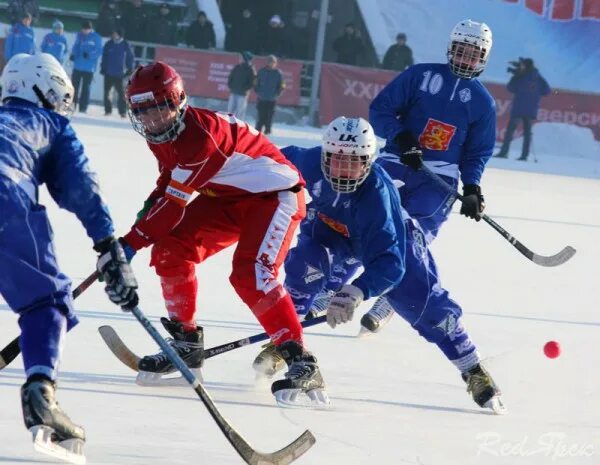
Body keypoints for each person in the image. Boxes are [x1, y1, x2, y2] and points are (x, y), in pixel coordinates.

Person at [252, 117, 505, 414]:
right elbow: (261, 154)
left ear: (369, 161)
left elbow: (390, 264)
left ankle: (472, 368)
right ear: (324, 155)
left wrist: (357, 291)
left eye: (355, 162)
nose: (344, 171)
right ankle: (288, 343)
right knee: (305, 266)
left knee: (424, 305)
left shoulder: (377, 196)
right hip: (332, 231)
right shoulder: (305, 161)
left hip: (390, 244)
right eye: (337, 161)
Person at [118, 61, 328, 407]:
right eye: (143, 112)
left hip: (273, 196)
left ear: (178, 101)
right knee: (171, 248)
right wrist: (134, 231)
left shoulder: (201, 138)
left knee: (251, 274)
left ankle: (301, 360)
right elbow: (165, 187)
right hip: (227, 198)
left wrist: (129, 244)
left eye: (159, 109)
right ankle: (187, 343)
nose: (153, 120)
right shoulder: (161, 137)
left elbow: (173, 205)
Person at [0, 53, 138, 464]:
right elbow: (81, 188)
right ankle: (42, 397)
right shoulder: (51, 125)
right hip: (5, 198)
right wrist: (109, 247)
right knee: (47, 301)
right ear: (43, 89)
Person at [318, 19, 496, 334]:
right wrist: (402, 139)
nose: (466, 59)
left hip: (438, 178)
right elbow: (381, 109)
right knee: (363, 220)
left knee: (413, 234)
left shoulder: (483, 102)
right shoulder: (420, 75)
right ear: (451, 49)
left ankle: (391, 295)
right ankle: (331, 284)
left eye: (474, 54)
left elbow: (477, 152)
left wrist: (472, 187)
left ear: (483, 58)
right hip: (396, 161)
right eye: (461, 51)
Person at [495, 58, 550, 161]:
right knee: (527, 134)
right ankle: (525, 155)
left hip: (519, 108)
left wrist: (515, 76)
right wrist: (535, 95)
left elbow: (510, 88)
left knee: (510, 132)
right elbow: (546, 90)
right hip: (531, 109)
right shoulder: (538, 77)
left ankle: (504, 152)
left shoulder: (521, 76)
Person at [100, 28, 134, 117]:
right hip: (108, 72)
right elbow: (104, 57)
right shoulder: (109, 44)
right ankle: (108, 110)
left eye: (116, 34)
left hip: (120, 73)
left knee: (121, 93)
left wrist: (130, 68)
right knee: (107, 92)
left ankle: (122, 112)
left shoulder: (125, 44)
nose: (114, 35)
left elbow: (130, 57)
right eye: (113, 34)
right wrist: (103, 67)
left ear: (120, 35)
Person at [70, 20, 103, 113]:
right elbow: (76, 46)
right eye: (83, 29)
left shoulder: (96, 37)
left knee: (86, 88)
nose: (84, 31)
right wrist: (73, 54)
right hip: (78, 65)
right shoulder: (79, 35)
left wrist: (90, 55)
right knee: (73, 86)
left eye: (86, 29)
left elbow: (99, 51)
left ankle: (83, 107)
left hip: (89, 68)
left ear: (90, 29)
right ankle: (72, 105)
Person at [254, 55, 284, 135]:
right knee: (261, 115)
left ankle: (268, 130)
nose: (271, 63)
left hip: (272, 99)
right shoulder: (261, 71)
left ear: (275, 63)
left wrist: (277, 94)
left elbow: (282, 85)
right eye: (269, 61)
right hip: (262, 98)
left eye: (273, 62)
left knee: (269, 116)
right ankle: (257, 131)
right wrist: (258, 91)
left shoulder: (278, 73)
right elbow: (256, 82)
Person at [226, 51, 256, 120]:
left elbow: (252, 82)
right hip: (233, 92)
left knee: (240, 113)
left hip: (242, 95)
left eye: (242, 58)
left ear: (246, 59)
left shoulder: (251, 69)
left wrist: (245, 89)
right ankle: (229, 125)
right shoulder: (237, 67)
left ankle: (238, 127)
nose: (240, 59)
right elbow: (231, 77)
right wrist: (231, 86)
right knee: (230, 111)